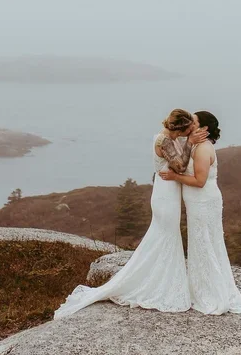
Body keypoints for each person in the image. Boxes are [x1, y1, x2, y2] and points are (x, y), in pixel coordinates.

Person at [53, 108, 209, 319]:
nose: (191, 130)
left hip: (167, 193)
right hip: (166, 196)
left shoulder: (166, 137)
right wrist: (190, 143)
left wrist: (190, 142)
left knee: (164, 238)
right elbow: (179, 166)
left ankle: (163, 281)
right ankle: (162, 286)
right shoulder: (163, 141)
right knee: (167, 237)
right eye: (188, 128)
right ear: (179, 129)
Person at [159, 111, 241, 315]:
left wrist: (173, 177)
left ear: (204, 128)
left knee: (205, 243)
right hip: (198, 202)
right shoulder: (195, 144)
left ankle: (211, 291)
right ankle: (202, 286)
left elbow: (199, 181)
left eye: (194, 122)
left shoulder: (203, 149)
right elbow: (169, 135)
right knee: (202, 243)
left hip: (203, 201)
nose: (190, 124)